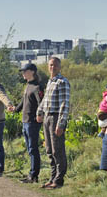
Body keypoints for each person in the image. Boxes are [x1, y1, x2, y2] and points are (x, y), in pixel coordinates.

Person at [37, 57, 71, 190]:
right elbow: (45, 100)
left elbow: (65, 104)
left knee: (58, 150)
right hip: (47, 117)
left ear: (60, 67)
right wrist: (39, 111)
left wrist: (61, 124)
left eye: (55, 65)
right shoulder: (50, 82)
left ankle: (59, 180)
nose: (53, 67)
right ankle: (52, 178)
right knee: (49, 150)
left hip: (56, 117)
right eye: (51, 65)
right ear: (48, 66)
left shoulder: (62, 82)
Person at [13, 63, 44, 184]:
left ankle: (34, 175)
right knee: (30, 148)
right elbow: (23, 101)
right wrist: (15, 109)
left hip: (32, 122)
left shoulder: (37, 87)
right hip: (25, 120)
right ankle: (32, 174)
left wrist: (39, 114)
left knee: (33, 148)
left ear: (32, 72)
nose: (22, 73)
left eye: (24, 71)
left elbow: (41, 102)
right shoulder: (28, 85)